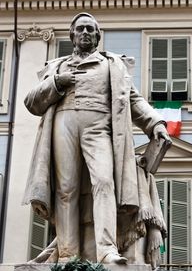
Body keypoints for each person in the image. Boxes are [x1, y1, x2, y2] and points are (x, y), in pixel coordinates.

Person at [23, 13, 171, 264]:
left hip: (99, 127)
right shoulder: (57, 68)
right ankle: (68, 254)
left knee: (104, 182)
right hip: (63, 124)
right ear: (71, 35)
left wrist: (155, 122)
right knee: (65, 189)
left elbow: (133, 100)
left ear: (98, 36)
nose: (85, 33)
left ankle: (106, 250)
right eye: (80, 29)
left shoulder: (112, 64)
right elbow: (32, 102)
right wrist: (58, 83)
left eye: (91, 29)